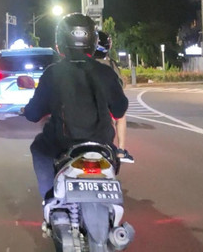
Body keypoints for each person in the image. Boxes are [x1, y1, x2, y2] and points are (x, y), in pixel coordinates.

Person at [22, 13, 128, 203]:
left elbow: (33, 113)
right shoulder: (106, 72)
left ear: (60, 42)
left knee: (39, 148)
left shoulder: (52, 73)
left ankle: (49, 198)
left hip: (61, 144)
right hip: (101, 145)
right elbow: (119, 110)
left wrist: (27, 111)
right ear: (93, 41)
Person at [94, 31, 134, 163]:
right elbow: (120, 85)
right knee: (121, 116)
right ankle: (121, 151)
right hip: (107, 104)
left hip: (84, 105)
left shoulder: (80, 63)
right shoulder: (111, 64)